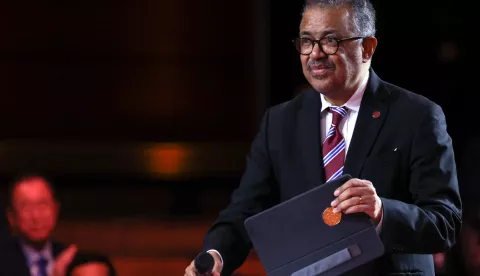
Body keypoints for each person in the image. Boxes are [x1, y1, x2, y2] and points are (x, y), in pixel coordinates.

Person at [184, 0, 462, 275]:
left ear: (367, 48)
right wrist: (216, 254)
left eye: (330, 41)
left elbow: (445, 223)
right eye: (306, 41)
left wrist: (382, 212)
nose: (315, 54)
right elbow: (244, 212)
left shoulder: (417, 116)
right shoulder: (280, 122)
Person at [0, 173, 116, 276]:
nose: (36, 216)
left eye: (43, 205)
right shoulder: (3, 260)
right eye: (26, 207)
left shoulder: (72, 259)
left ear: (55, 210)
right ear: (11, 217)